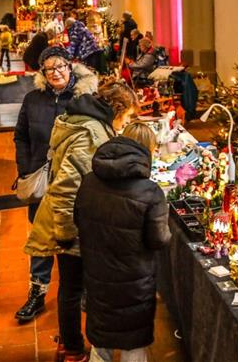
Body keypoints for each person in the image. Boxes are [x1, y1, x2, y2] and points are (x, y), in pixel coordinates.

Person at [24, 80, 138, 361]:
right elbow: (66, 188)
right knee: (73, 288)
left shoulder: (87, 123)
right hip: (75, 226)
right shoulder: (91, 134)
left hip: (77, 222)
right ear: (117, 109)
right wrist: (65, 232)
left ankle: (70, 342)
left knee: (71, 286)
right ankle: (73, 348)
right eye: (129, 116)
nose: (128, 123)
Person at [14, 46, 99, 323]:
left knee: (79, 235)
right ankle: (37, 291)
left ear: (70, 66)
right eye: (49, 68)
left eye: (61, 66)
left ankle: (83, 289)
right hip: (41, 179)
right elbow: (21, 137)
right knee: (41, 238)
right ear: (42, 72)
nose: (56, 72)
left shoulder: (85, 98)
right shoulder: (32, 100)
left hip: (77, 181)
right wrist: (26, 168)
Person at [76, 122, 170, 362]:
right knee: (133, 345)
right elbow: (158, 239)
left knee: (101, 342)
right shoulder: (150, 192)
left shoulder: (88, 182)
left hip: (98, 276)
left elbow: (79, 221)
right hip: (133, 283)